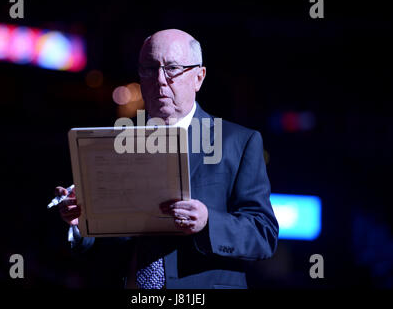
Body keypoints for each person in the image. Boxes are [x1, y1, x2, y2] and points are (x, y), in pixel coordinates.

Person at [55, 29, 279, 289]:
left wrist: (208, 222)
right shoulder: (113, 144)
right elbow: (108, 245)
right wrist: (81, 222)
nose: (160, 79)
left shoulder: (238, 143)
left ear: (199, 77)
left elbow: (264, 235)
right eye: (149, 69)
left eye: (172, 68)